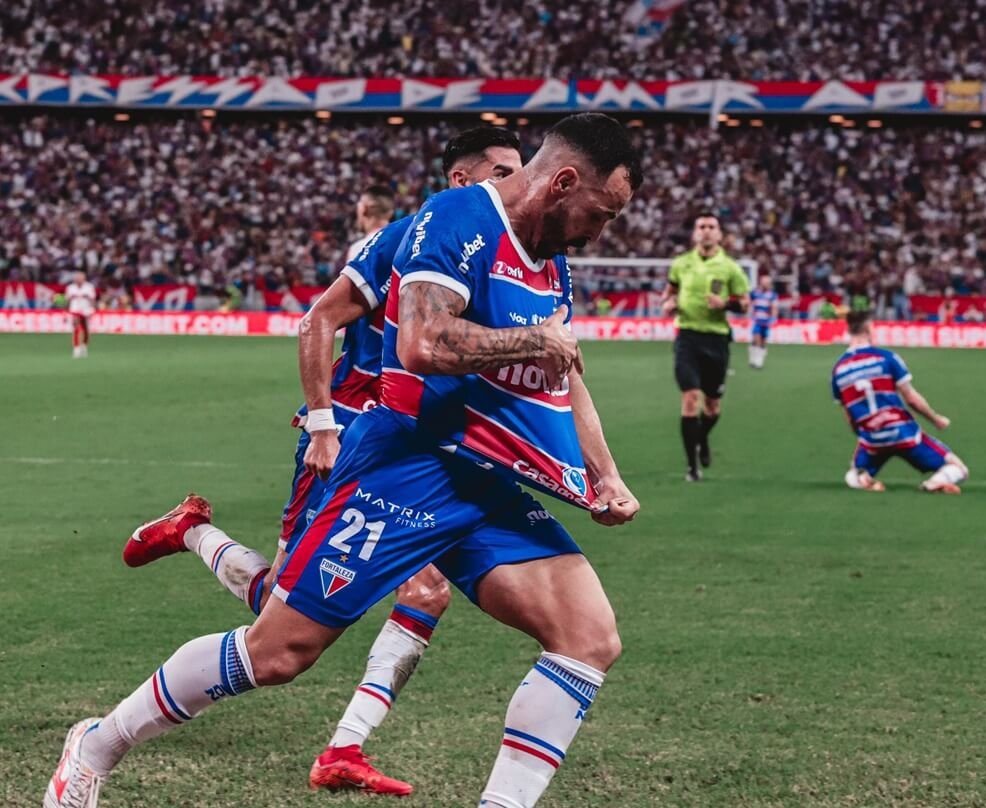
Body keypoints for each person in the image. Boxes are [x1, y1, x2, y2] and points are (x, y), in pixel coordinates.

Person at [44, 112, 642, 808]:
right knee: (277, 652)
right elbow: (421, 342)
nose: (602, 231)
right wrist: (533, 341)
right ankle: (97, 744)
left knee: (588, 637)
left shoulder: (551, 257)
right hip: (406, 467)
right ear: (564, 182)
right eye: (601, 213)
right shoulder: (458, 219)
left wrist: (605, 475)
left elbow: (564, 373)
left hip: (485, 482)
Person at [115, 126, 523, 797]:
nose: (518, 185)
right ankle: (193, 533)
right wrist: (325, 426)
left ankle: (343, 747)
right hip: (353, 436)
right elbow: (320, 321)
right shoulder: (408, 239)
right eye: (504, 173)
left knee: (408, 592)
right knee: (288, 607)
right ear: (463, 180)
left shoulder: (494, 251)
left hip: (408, 448)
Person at [832, 311, 969, 494]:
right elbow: (911, 399)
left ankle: (863, 479)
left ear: (848, 330)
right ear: (869, 328)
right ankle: (934, 483)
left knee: (853, 475)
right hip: (903, 433)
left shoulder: (839, 369)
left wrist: (865, 435)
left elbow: (850, 416)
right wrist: (936, 419)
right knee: (959, 469)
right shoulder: (886, 358)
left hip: (872, 439)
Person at [659, 212, 750, 481]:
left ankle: (702, 437)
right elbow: (669, 294)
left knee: (712, 407)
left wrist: (726, 304)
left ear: (719, 234)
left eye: (712, 227)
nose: (706, 230)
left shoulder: (730, 268)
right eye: (702, 226)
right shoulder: (681, 264)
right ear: (695, 233)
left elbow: (745, 304)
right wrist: (668, 304)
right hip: (687, 337)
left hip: (716, 340)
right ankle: (692, 467)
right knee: (690, 398)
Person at [747, 273, 779, 369]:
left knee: (763, 341)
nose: (766, 284)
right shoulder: (754, 293)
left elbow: (774, 307)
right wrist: (749, 314)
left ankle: (759, 360)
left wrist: (773, 318)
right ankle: (755, 360)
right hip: (757, 320)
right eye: (764, 282)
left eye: (768, 283)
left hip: (766, 321)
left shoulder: (772, 295)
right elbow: (748, 302)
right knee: (756, 339)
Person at [65, 271, 97, 358]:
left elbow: (93, 299)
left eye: (80, 278)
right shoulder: (70, 287)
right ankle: (76, 348)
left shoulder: (89, 287)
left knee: (85, 329)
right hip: (75, 309)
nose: (78, 279)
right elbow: (67, 300)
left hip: (86, 310)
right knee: (76, 328)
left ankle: (84, 346)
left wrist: (91, 305)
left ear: (84, 278)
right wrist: (66, 308)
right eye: (77, 278)